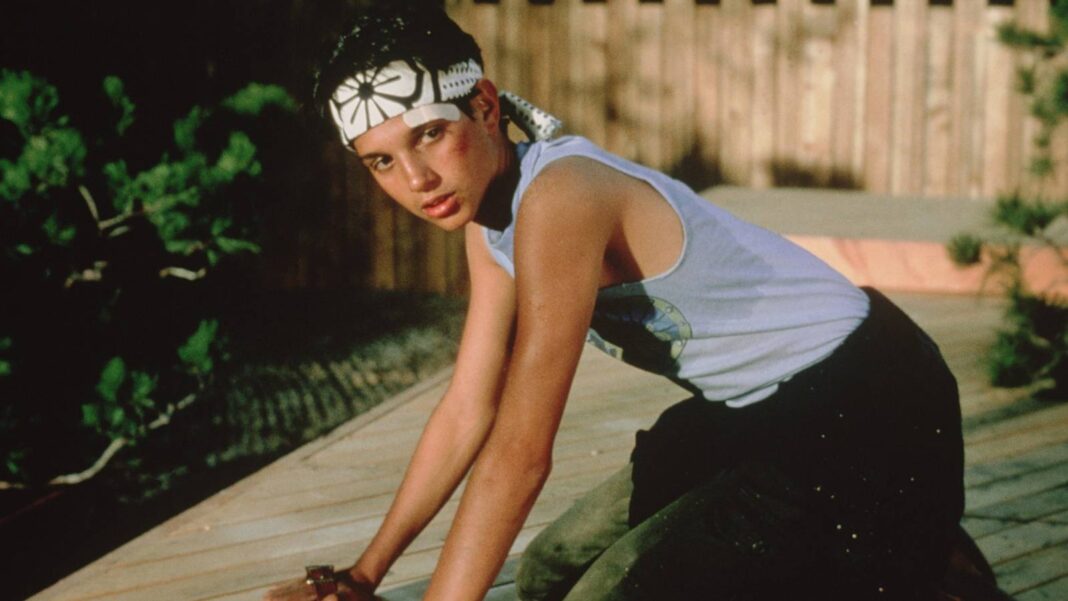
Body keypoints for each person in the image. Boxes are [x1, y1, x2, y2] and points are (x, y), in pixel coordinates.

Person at [266, 4, 990, 600]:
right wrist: (364, 575)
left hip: (867, 408)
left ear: (484, 106)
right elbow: (467, 409)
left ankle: (913, 562)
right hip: (752, 414)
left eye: (430, 134)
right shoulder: (487, 221)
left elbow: (520, 452)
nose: (417, 179)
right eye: (383, 161)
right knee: (547, 574)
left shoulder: (563, 197)